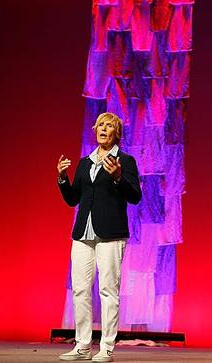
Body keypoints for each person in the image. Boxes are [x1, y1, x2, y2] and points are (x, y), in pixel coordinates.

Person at [57, 112, 142, 362]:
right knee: (80, 290)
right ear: (95, 130)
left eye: (109, 126)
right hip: (83, 233)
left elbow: (135, 196)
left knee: (108, 290)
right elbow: (73, 199)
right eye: (100, 125)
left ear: (116, 133)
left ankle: (106, 347)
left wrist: (117, 177)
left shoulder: (125, 160)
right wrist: (62, 178)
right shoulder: (85, 162)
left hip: (111, 234)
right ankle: (82, 345)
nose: (103, 129)